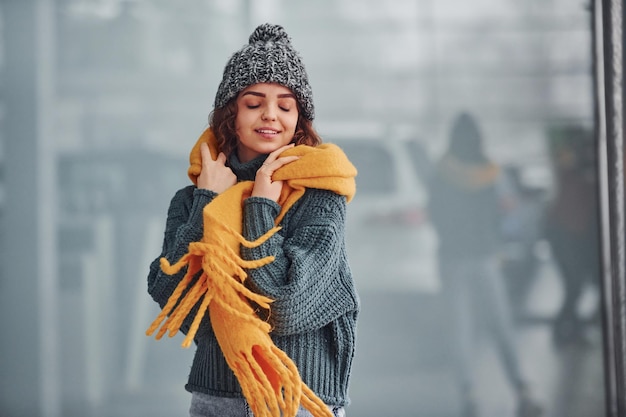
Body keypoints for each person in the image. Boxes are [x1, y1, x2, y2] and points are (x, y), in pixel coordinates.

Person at [146, 23, 359, 417]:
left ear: (299, 118)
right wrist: (208, 201)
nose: (270, 116)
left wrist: (261, 205)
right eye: (254, 102)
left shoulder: (319, 197)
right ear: (231, 111)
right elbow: (168, 291)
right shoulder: (194, 196)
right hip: (216, 397)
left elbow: (286, 306)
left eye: (285, 104)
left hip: (298, 399)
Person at [428, 113, 542, 417]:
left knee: (460, 328)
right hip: (485, 258)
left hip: (452, 258)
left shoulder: (441, 171)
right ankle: (522, 390)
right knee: (501, 324)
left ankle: (470, 396)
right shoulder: (491, 173)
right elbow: (508, 210)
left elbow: (434, 213)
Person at [544, 125, 600, 347]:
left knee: (577, 286)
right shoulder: (571, 169)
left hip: (574, 234)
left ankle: (572, 331)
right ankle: (562, 331)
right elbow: (561, 158)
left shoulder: (590, 173)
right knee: (574, 286)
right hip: (562, 234)